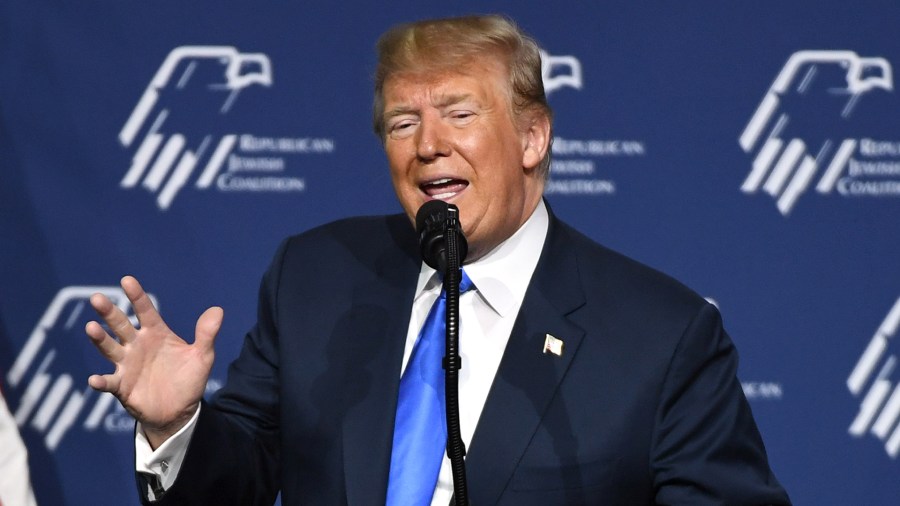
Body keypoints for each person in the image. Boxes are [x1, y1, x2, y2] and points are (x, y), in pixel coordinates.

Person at [86, 14, 791, 505]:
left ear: (532, 138)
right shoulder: (316, 276)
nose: (427, 145)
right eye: (402, 122)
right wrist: (177, 426)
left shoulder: (660, 336)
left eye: (459, 114)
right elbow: (233, 486)